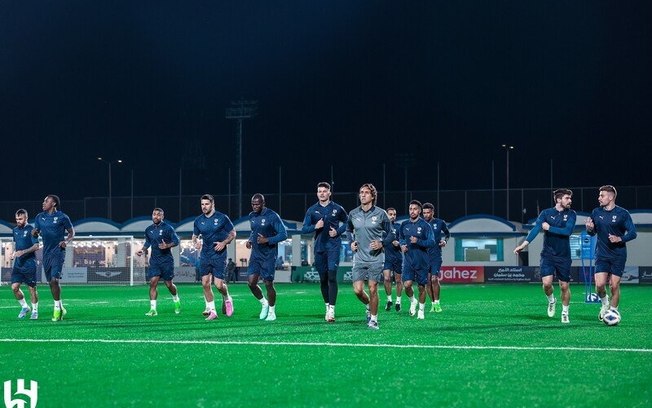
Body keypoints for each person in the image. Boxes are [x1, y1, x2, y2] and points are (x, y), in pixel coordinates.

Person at [514, 189, 577, 323]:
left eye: (570, 198)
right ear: (559, 200)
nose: (570, 200)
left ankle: (565, 312)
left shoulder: (571, 214)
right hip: (548, 255)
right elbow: (536, 228)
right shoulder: (546, 213)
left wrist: (549, 228)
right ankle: (552, 300)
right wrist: (524, 244)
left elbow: (567, 231)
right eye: (567, 198)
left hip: (564, 256)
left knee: (564, 286)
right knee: (546, 284)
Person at [585, 185, 637, 322]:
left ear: (611, 197)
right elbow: (592, 232)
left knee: (614, 285)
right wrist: (589, 229)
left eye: (602, 195)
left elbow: (633, 233)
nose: (599, 198)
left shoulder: (623, 213)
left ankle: (613, 311)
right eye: (599, 195)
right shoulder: (595, 212)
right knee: (600, 285)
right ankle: (604, 303)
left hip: (618, 254)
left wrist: (620, 238)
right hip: (601, 254)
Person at [346, 183, 393, 329]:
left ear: (372, 196)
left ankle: (373, 319)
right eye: (361, 192)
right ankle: (368, 305)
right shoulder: (353, 213)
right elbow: (348, 229)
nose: (363, 195)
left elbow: (392, 234)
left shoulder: (381, 213)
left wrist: (382, 243)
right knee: (358, 290)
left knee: (373, 287)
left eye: (366, 192)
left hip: (375, 257)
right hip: (359, 258)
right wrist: (350, 242)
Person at [301, 182, 348, 322]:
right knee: (323, 279)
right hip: (319, 248)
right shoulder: (312, 210)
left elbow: (347, 223)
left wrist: (338, 232)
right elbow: (304, 229)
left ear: (329, 193)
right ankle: (327, 306)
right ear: (317, 193)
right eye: (319, 191)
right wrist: (315, 226)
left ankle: (332, 310)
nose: (321, 193)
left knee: (332, 277)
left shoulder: (337, 208)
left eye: (324, 191)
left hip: (333, 247)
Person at [192, 194, 236, 321]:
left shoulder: (222, 218)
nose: (204, 207)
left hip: (219, 255)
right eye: (202, 204)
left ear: (212, 204)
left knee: (218, 285)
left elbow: (233, 233)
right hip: (205, 254)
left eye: (206, 204)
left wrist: (224, 243)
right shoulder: (198, 220)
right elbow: (194, 236)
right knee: (205, 283)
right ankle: (212, 311)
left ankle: (227, 298)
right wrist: (196, 242)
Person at [246, 193, 288, 322]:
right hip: (255, 254)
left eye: (257, 204)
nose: (254, 206)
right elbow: (254, 230)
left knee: (268, 283)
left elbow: (284, 234)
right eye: (253, 204)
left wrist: (267, 240)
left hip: (269, 255)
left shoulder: (272, 216)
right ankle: (264, 303)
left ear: (263, 203)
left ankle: (271, 310)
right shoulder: (251, 216)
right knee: (251, 282)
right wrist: (250, 239)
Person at [32, 195, 74, 322]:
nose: (43, 202)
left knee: (55, 280)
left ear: (54, 203)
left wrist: (66, 241)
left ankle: (56, 309)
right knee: (50, 282)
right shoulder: (39, 217)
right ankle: (61, 306)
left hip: (58, 252)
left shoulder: (62, 217)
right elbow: (36, 231)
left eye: (46, 201)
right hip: (46, 253)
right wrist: (34, 233)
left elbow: (72, 232)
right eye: (44, 200)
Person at [136, 208, 181, 316]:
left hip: (166, 260)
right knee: (152, 283)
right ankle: (153, 309)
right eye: (154, 214)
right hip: (155, 261)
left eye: (158, 215)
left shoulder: (168, 228)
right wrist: (142, 250)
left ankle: (176, 299)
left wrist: (167, 245)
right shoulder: (148, 229)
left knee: (169, 284)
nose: (156, 216)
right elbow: (148, 242)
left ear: (162, 217)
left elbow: (176, 241)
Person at [399, 200, 435, 320]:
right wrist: (402, 244)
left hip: (422, 261)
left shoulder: (425, 226)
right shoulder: (404, 225)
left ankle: (421, 310)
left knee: (421, 287)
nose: (412, 211)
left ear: (419, 211)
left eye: (415, 209)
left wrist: (418, 241)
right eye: (410, 209)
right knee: (407, 285)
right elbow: (401, 238)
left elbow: (432, 242)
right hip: (408, 260)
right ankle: (413, 301)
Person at [11, 209, 40, 319]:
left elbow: (36, 246)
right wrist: (14, 253)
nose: (18, 221)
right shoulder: (14, 230)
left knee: (32, 289)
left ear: (26, 218)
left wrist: (23, 252)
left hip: (29, 264)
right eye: (17, 219)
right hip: (18, 264)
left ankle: (35, 311)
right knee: (14, 287)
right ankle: (24, 307)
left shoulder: (31, 230)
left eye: (20, 219)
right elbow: (17, 245)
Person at [422, 202, 450, 313]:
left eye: (428, 212)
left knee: (434, 279)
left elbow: (448, 234)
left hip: (436, 256)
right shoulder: (420, 224)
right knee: (428, 282)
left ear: (433, 212)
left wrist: (445, 241)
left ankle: (437, 303)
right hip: (424, 257)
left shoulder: (440, 222)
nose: (426, 215)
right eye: (424, 213)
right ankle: (433, 304)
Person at [382, 207, 403, 312]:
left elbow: (404, 242)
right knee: (386, 279)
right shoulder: (381, 228)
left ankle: (398, 301)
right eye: (390, 214)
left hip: (398, 257)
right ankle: (389, 299)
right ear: (386, 215)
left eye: (394, 214)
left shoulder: (399, 227)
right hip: (386, 258)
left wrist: (399, 244)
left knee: (398, 280)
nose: (392, 216)